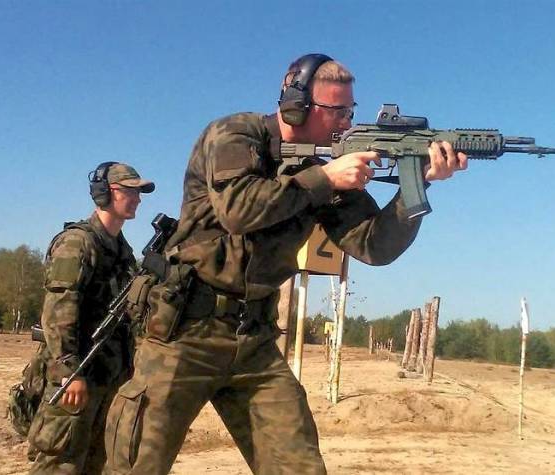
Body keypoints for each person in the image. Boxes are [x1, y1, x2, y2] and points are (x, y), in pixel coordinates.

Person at [103, 53, 468, 475]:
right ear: (296, 104)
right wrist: (324, 179)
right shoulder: (235, 135)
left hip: (254, 338)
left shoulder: (326, 169)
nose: (346, 122)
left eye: (349, 111)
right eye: (336, 110)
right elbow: (238, 210)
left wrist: (416, 188)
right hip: (186, 329)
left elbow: (374, 246)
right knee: (135, 466)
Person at [28, 162, 154, 475]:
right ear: (105, 193)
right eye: (129, 191)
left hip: (108, 377)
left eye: (139, 192)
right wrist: (69, 371)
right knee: (60, 463)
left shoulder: (122, 251)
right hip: (77, 374)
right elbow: (58, 311)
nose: (137, 198)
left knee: (95, 464)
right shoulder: (78, 242)